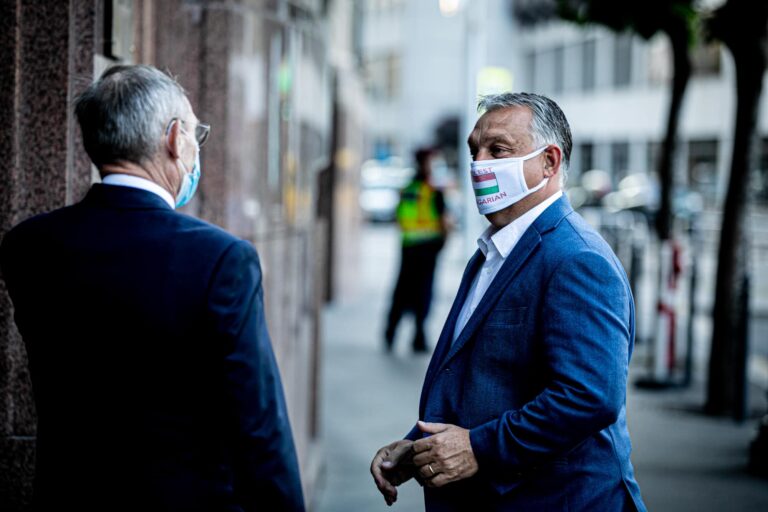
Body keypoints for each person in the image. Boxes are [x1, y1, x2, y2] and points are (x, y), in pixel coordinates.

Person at [0, 65, 304, 511]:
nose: (196, 150)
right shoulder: (222, 259)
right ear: (175, 138)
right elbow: (259, 424)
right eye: (196, 135)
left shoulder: (28, 245)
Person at [370, 92, 647, 511]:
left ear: (549, 162)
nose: (479, 164)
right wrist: (420, 446)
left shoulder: (577, 259)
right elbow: (482, 377)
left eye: (497, 150)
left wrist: (478, 448)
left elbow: (589, 396)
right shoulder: (492, 252)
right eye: (474, 151)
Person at [384, 148, 449, 353]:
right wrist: (443, 242)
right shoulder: (433, 191)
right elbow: (444, 222)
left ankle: (390, 332)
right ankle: (418, 337)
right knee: (423, 293)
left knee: (402, 290)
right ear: (426, 163)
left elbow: (398, 217)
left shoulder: (408, 189)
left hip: (409, 247)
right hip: (427, 248)